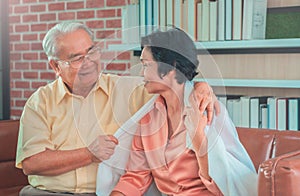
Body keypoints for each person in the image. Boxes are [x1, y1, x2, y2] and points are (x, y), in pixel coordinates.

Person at [15, 21, 219, 195]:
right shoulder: (40, 102)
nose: (89, 63)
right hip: (47, 193)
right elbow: (31, 163)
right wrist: (88, 154)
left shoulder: (133, 90)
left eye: (92, 51)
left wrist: (201, 86)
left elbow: (173, 83)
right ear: (55, 66)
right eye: (77, 58)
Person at [110, 28, 258, 196]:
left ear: (171, 66)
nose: (141, 73)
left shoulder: (208, 110)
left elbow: (225, 182)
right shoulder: (147, 120)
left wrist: (198, 139)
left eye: (146, 65)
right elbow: (135, 177)